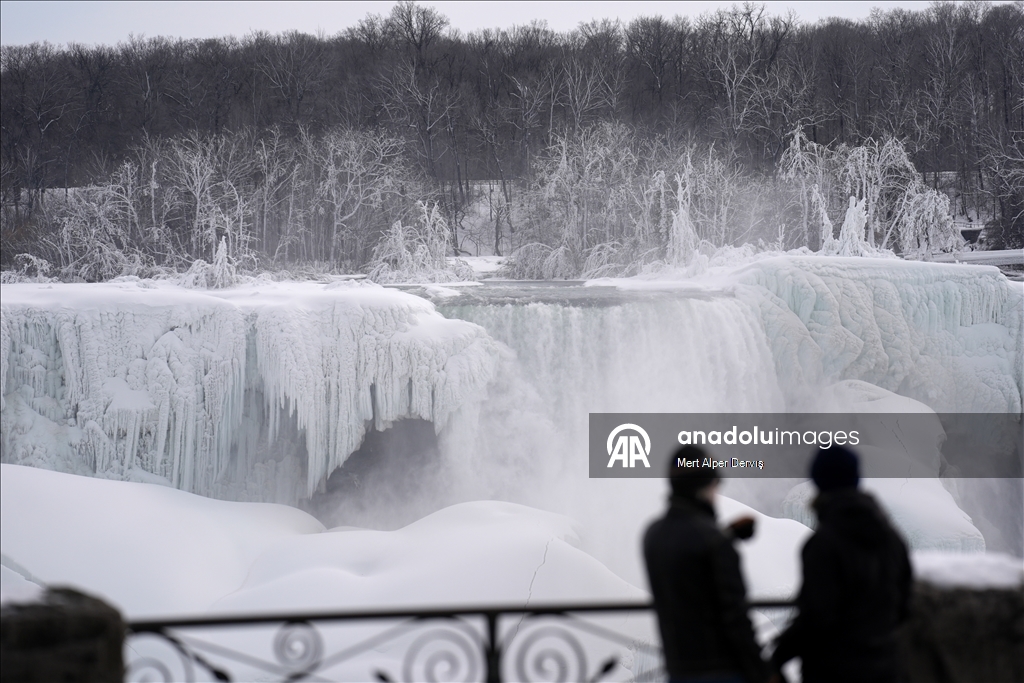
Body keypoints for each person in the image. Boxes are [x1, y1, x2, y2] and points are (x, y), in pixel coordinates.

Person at [770, 445, 912, 683]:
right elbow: (904, 606)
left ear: (818, 482)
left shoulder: (824, 544)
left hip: (833, 672)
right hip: (886, 670)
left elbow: (817, 617)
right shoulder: (892, 540)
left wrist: (777, 657)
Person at [644, 445, 770, 683]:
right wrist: (764, 673)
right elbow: (736, 618)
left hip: (678, 669)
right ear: (704, 488)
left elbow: (688, 567)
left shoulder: (653, 536)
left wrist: (725, 535)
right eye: (714, 485)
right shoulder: (714, 543)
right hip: (723, 670)